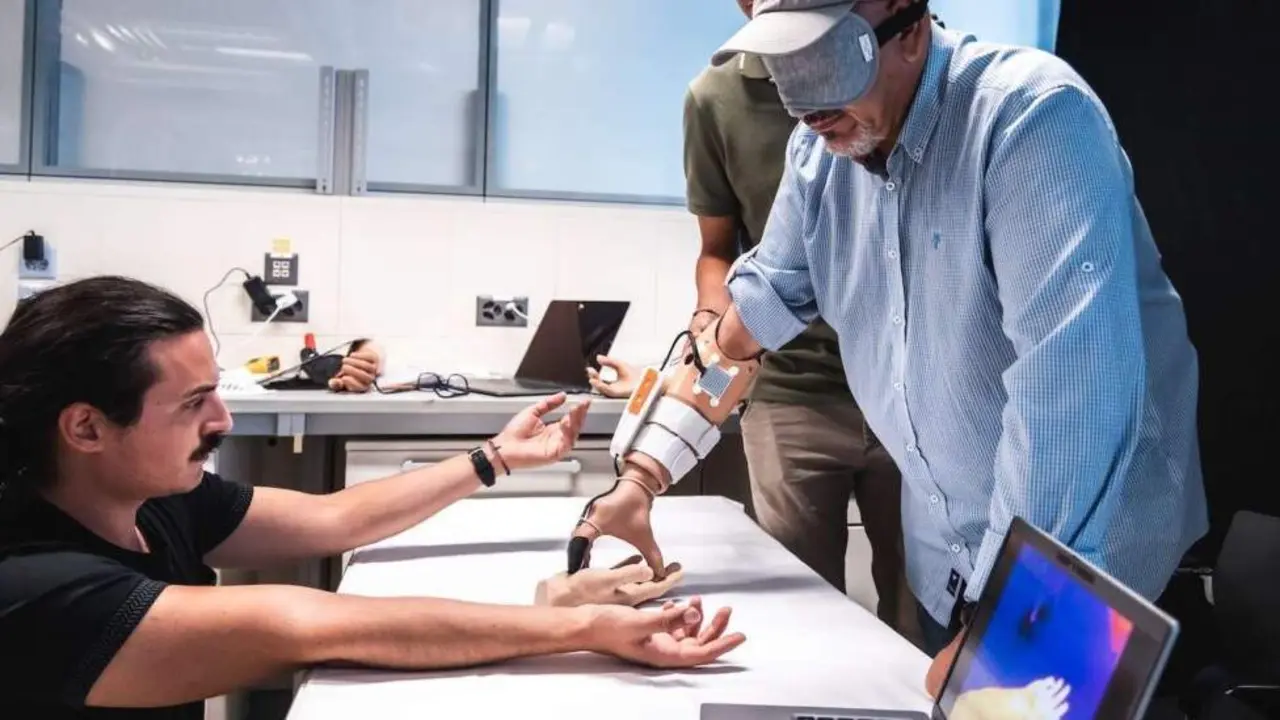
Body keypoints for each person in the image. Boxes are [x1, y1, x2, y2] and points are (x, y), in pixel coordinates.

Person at [566, 0, 1206, 698]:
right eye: (783, 65)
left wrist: (1002, 629)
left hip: (1084, 572)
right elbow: (746, 320)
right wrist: (641, 477)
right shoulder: (821, 156)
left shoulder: (1031, 119)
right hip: (955, 560)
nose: (806, 106)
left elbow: (1071, 400)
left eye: (822, 58)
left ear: (910, 30)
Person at [0, 276, 742, 719]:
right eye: (194, 403)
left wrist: (492, 459)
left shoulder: (149, 497)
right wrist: (581, 624)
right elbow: (312, 625)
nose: (223, 419)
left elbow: (331, 518)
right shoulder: (38, 584)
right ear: (86, 427)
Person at [586, 0, 913, 639]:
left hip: (912, 397)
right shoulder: (809, 149)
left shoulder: (986, 116)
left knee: (926, 614)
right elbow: (756, 307)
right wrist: (641, 479)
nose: (813, 115)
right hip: (793, 394)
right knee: (806, 612)